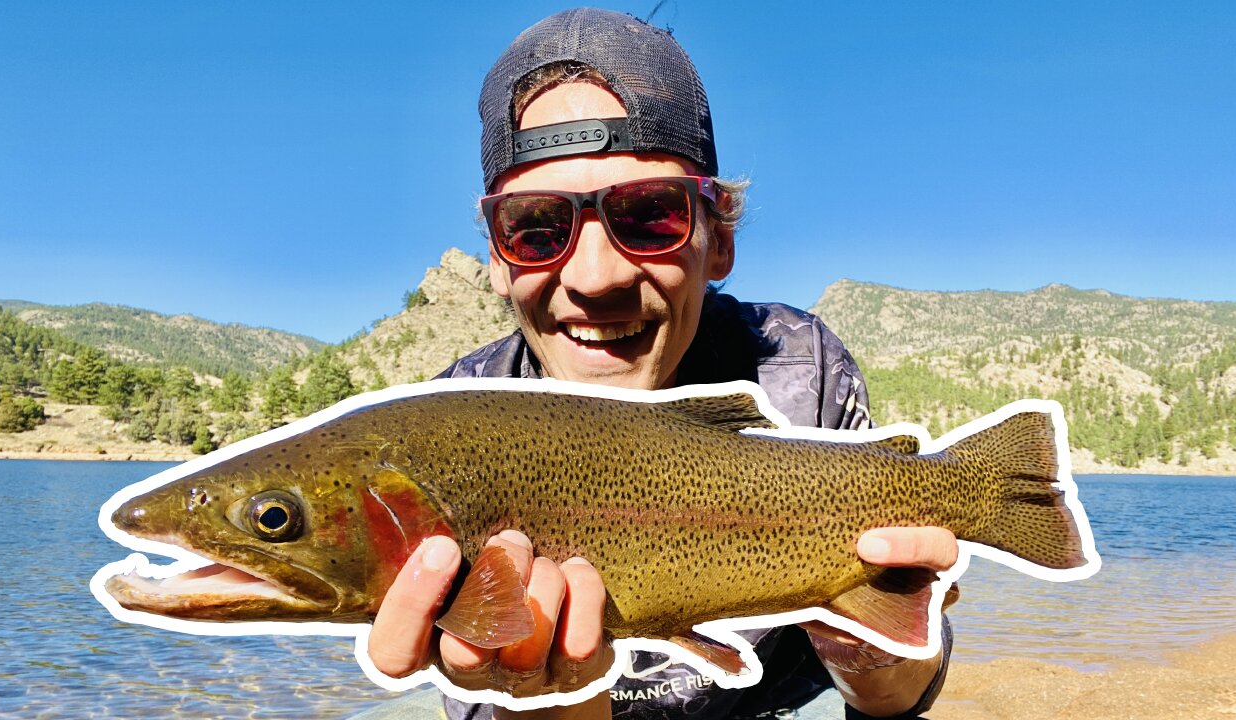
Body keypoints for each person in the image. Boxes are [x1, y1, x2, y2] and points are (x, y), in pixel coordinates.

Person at [367, 8, 959, 719]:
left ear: (720, 242)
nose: (595, 276)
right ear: (498, 260)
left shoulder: (805, 374)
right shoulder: (454, 425)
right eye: (537, 227)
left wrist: (871, 641)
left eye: (651, 214)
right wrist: (550, 699)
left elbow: (892, 705)